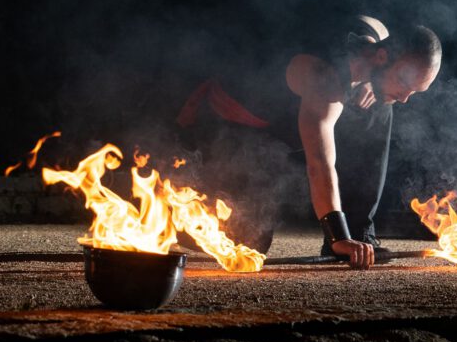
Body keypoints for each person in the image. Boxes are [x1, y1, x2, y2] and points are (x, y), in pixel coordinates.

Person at [177, 16, 441, 270]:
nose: (407, 98)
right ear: (381, 57)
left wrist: (372, 81)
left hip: (281, 134)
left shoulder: (375, 44)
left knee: (383, 104)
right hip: (227, 130)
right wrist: (338, 236)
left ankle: (359, 232)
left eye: (415, 91)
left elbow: (376, 28)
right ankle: (168, 215)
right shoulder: (323, 78)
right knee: (249, 242)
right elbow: (319, 162)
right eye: (405, 83)